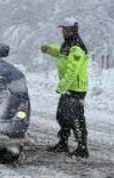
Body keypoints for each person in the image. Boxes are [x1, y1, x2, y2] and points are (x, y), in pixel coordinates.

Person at [39, 18, 90, 158]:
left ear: (72, 30)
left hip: (76, 89)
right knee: (62, 116)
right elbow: (61, 53)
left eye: (65, 29)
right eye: (62, 29)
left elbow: (73, 70)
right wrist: (49, 49)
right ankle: (63, 143)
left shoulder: (77, 47)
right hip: (68, 88)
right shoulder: (67, 44)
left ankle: (82, 148)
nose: (62, 31)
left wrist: (62, 87)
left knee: (76, 119)